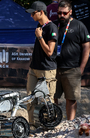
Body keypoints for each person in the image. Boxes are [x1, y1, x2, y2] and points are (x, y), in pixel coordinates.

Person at [54, 0, 90, 120]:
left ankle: (70, 124)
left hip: (72, 68)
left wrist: (81, 68)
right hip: (54, 68)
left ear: (70, 12)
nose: (61, 16)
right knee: (52, 96)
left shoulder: (79, 25)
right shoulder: (54, 25)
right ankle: (53, 121)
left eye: (64, 13)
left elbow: (86, 46)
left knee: (71, 98)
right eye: (59, 13)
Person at [25, 1, 58, 129]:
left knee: (47, 99)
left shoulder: (51, 27)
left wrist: (40, 37)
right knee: (29, 97)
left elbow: (50, 52)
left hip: (47, 69)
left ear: (41, 12)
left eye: (33, 13)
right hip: (34, 68)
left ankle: (48, 124)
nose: (31, 16)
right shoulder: (40, 27)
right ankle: (32, 125)